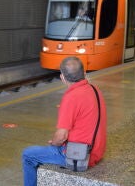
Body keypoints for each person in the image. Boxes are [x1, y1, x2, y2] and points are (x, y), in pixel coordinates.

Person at [21, 57, 107, 186]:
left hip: (81, 156)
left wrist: (55, 143)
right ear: (84, 74)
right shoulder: (94, 89)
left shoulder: (71, 97)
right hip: (97, 149)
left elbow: (61, 136)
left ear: (62, 77)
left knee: (28, 155)